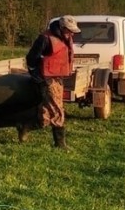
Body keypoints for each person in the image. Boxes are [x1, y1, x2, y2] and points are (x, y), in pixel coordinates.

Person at [19, 15, 81, 149]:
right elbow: (31, 59)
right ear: (61, 28)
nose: (71, 33)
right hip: (46, 79)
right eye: (69, 30)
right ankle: (60, 144)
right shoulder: (45, 39)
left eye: (73, 31)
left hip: (58, 78)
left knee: (47, 112)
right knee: (57, 109)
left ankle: (26, 126)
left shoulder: (66, 38)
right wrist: (36, 75)